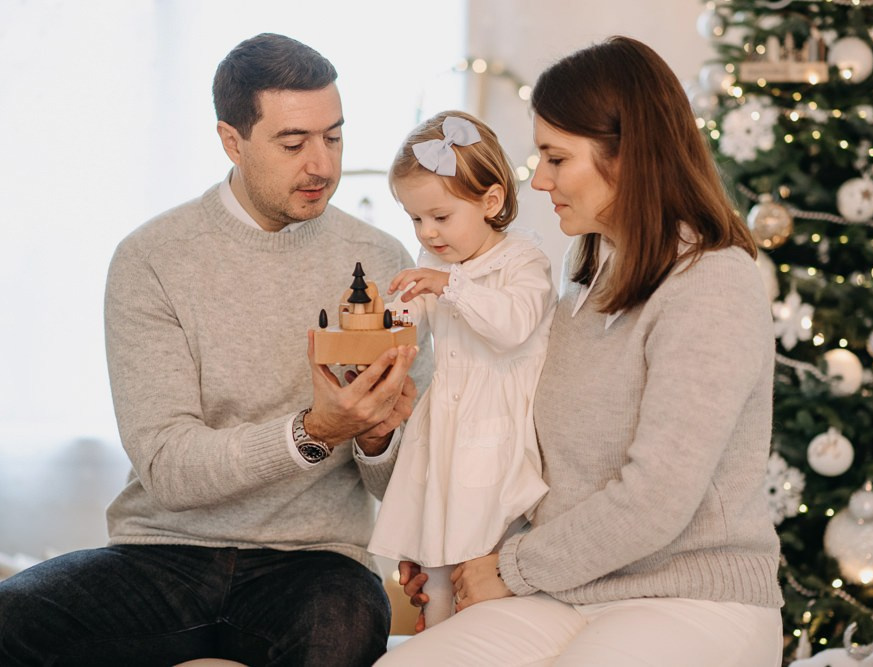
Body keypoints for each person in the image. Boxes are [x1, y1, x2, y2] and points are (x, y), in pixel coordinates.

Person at [0, 33, 428, 667]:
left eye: (333, 137)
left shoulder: (383, 260)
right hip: (163, 554)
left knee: (339, 637)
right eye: (294, 143)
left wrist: (374, 437)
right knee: (12, 622)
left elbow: (402, 484)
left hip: (314, 564)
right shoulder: (152, 258)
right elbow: (168, 466)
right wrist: (312, 432)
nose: (322, 166)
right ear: (232, 140)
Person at [379, 36, 784, 666]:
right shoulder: (584, 270)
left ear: (627, 157)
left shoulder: (712, 282)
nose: (537, 180)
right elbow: (532, 448)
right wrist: (457, 546)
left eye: (555, 157)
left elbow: (656, 499)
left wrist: (508, 567)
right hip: (562, 591)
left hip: (691, 598)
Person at [367, 111, 555, 628]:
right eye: (415, 220)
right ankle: (438, 640)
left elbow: (514, 324)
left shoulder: (524, 261)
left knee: (482, 560)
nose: (427, 232)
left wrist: (448, 287)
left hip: (495, 436)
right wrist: (394, 309)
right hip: (445, 433)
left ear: (490, 202)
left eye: (440, 217)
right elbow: (411, 329)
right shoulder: (442, 269)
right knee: (437, 572)